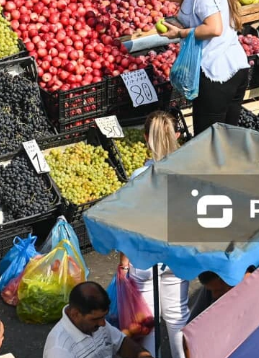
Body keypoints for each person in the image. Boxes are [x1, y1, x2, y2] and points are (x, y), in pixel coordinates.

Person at [132, 0, 249, 135]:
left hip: (216, 75)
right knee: (228, 139)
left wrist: (180, 33)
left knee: (208, 142)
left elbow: (214, 28)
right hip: (236, 67)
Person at [118, 111, 189, 358]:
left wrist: (123, 261)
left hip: (144, 258)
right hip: (177, 256)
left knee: (146, 322)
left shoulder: (139, 177)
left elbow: (128, 223)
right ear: (176, 136)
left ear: (146, 138)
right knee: (178, 316)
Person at [43, 282, 151, 358]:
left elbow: (120, 342)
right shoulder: (59, 350)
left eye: (103, 316)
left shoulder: (96, 324)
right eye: (95, 319)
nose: (103, 323)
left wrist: (140, 354)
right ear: (75, 314)